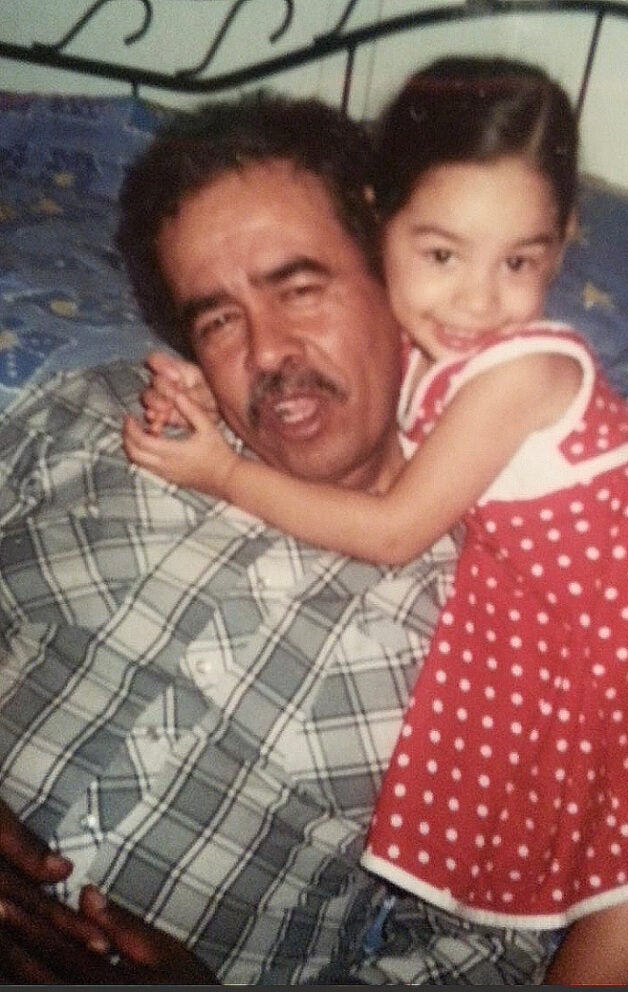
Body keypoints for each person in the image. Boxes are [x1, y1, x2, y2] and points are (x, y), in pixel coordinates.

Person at [122, 58, 628, 985]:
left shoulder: (513, 375)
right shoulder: (433, 366)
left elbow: (390, 529)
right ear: (381, 221)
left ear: (563, 243)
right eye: (441, 255)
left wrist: (219, 472)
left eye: (520, 262)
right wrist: (201, 387)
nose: (476, 301)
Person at [0, 92, 556, 984]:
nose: (266, 352)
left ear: (398, 284)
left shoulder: (511, 618)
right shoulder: (94, 419)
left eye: (301, 288)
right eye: (218, 318)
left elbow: (498, 954)